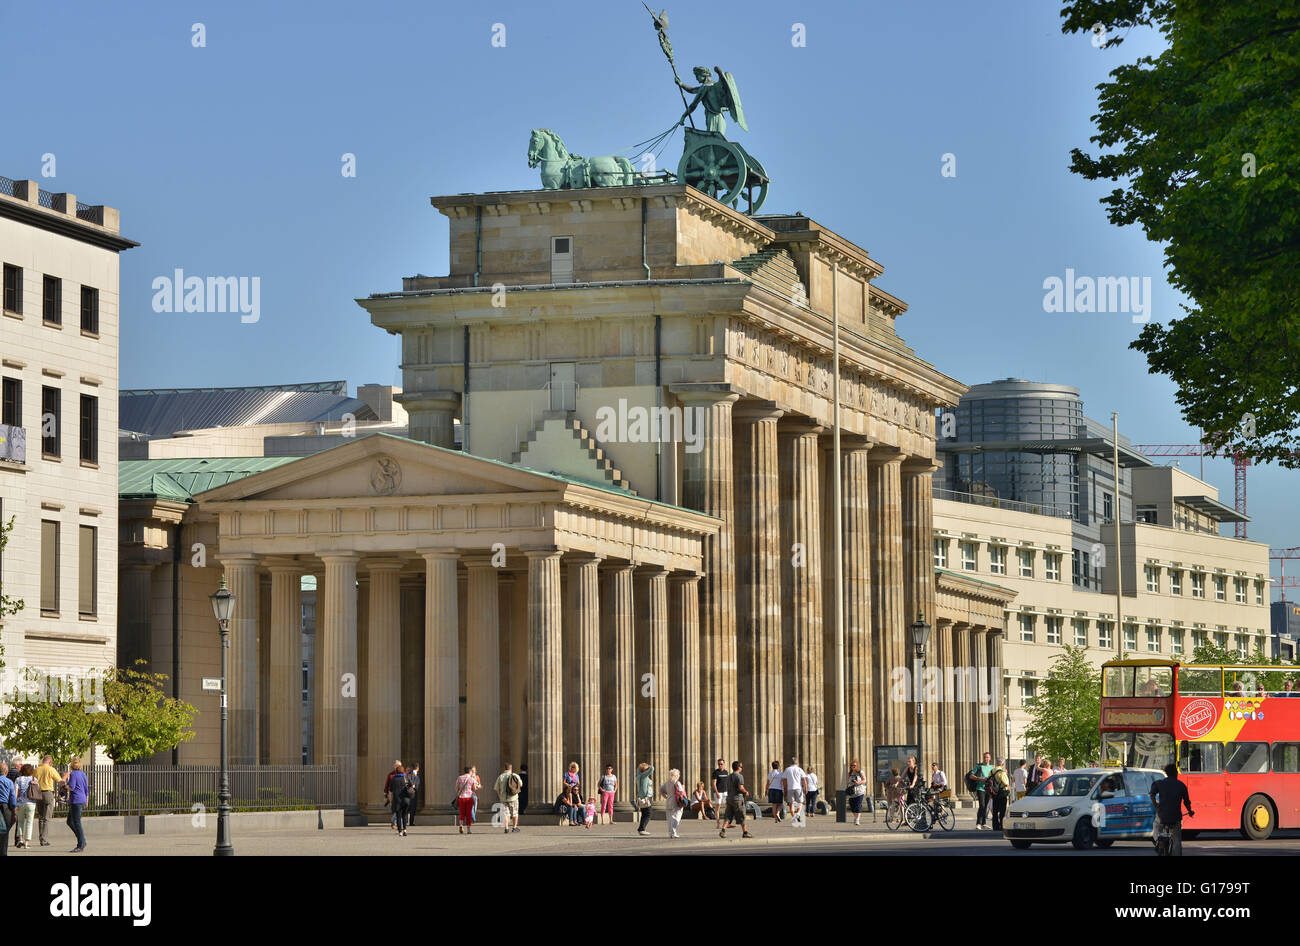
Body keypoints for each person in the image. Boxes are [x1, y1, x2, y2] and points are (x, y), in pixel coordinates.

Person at [1150, 762, 1194, 856]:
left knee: (1156, 825)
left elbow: (1152, 794)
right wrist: (1190, 811)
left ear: (1166, 773)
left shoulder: (1159, 783)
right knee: (1177, 839)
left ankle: (1157, 840)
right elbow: (1186, 802)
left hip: (1162, 815)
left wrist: (1156, 806)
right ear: (1176, 773)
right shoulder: (1181, 785)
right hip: (1176, 817)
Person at [719, 761, 752, 839]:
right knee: (742, 815)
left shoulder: (729, 776)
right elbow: (741, 787)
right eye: (741, 767)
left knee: (728, 815)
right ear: (738, 767)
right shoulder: (739, 776)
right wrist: (746, 792)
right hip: (737, 799)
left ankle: (723, 830)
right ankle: (745, 832)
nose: (741, 768)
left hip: (729, 798)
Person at [34, 755, 61, 848]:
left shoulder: (36, 769)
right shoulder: (51, 769)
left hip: (38, 793)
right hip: (48, 793)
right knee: (47, 817)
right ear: (50, 762)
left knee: (40, 817)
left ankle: (41, 837)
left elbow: (33, 781)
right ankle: (44, 839)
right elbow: (59, 780)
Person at [64, 757, 88, 853]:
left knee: (77, 823)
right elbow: (86, 788)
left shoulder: (73, 774)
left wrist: (63, 785)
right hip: (81, 799)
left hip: (76, 800)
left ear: (71, 765)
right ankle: (82, 840)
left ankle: (80, 844)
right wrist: (87, 800)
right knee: (70, 821)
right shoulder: (83, 774)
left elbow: (72, 787)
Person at [494, 763, 523, 834]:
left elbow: (496, 789)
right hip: (513, 798)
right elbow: (521, 784)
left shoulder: (501, 777)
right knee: (515, 813)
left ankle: (506, 828)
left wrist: (500, 796)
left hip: (503, 799)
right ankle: (514, 827)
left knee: (505, 814)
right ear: (511, 768)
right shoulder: (515, 775)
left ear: (505, 768)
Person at [968, 752, 994, 830]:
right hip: (980, 788)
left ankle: (984, 823)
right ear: (983, 758)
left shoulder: (991, 768)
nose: (986, 759)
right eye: (985, 757)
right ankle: (978, 823)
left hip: (988, 789)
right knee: (982, 805)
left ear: (990, 758)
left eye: (988, 757)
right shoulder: (978, 766)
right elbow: (971, 776)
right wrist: (980, 779)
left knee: (985, 807)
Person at [13, 764, 36, 849]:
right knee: (29, 822)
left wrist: (15, 803)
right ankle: (27, 843)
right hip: (31, 803)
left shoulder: (18, 779)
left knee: (20, 822)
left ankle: (20, 840)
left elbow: (16, 792)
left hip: (20, 803)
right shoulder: (34, 779)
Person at [660, 767, 686, 838]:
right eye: (678, 775)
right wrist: (683, 788)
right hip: (676, 801)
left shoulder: (667, 783)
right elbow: (681, 792)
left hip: (668, 801)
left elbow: (661, 790)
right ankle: (674, 832)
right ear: (676, 775)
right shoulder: (677, 783)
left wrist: (666, 797)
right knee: (677, 817)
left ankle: (670, 833)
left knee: (669, 818)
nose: (679, 776)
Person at [455, 765, 480, 834]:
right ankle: (468, 829)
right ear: (470, 771)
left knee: (462, 813)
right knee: (468, 813)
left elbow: (456, 788)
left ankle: (461, 825)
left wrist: (459, 793)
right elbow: (474, 789)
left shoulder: (459, 778)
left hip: (461, 798)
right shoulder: (472, 779)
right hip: (469, 797)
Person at [387, 763, 410, 837]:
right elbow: (411, 786)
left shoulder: (393, 779)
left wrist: (390, 800)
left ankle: (400, 831)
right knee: (404, 815)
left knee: (398, 816)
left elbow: (390, 791)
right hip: (405, 799)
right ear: (403, 771)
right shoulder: (405, 778)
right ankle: (405, 830)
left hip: (397, 800)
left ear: (396, 771)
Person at [635, 762, 655, 835]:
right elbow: (652, 768)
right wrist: (649, 766)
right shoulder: (644, 776)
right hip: (646, 797)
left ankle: (641, 828)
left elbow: (638, 769)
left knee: (644, 814)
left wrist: (641, 767)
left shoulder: (638, 775)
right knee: (648, 814)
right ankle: (642, 829)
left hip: (641, 797)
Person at [711, 757, 732, 828]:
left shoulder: (726, 772)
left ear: (724, 764)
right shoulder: (715, 772)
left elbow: (727, 782)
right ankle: (718, 824)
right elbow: (714, 783)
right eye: (719, 764)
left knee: (728, 807)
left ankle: (726, 823)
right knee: (718, 807)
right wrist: (716, 792)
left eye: (721, 764)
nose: (720, 765)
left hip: (725, 792)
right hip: (718, 792)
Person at [990, 759, 1010, 830]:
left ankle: (995, 826)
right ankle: (1001, 825)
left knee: (995, 810)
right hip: (1002, 793)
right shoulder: (1002, 772)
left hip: (994, 792)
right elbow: (1006, 783)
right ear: (1003, 764)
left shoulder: (992, 771)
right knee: (1002, 810)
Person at [383, 760, 403, 831]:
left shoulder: (404, 775)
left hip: (401, 795)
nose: (397, 767)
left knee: (400, 809)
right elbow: (387, 785)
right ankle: (395, 822)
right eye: (396, 766)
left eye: (398, 766)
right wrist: (385, 795)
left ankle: (396, 823)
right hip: (393, 795)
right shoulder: (391, 775)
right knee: (395, 809)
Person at [847, 759, 868, 826]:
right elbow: (848, 781)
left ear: (857, 766)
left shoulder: (860, 772)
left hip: (860, 791)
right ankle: (855, 817)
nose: (853, 767)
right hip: (852, 792)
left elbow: (864, 780)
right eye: (852, 765)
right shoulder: (850, 773)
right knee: (852, 806)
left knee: (858, 805)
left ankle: (857, 819)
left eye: (854, 765)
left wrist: (858, 783)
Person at [0, 764, 14, 857]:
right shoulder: (9, 782)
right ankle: (3, 852)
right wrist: (13, 808)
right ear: (6, 771)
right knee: (5, 831)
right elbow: (12, 797)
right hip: (4, 807)